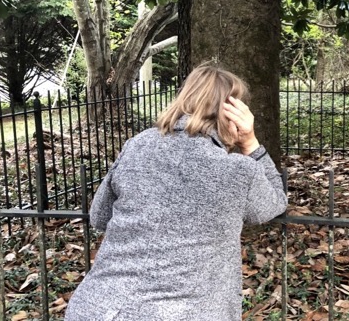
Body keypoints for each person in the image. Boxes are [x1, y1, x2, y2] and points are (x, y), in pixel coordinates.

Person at [65, 63, 288, 321]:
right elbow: (275, 202)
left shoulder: (138, 145)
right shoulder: (238, 171)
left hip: (98, 307)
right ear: (234, 114)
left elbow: (99, 217)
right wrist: (250, 142)